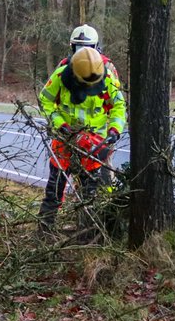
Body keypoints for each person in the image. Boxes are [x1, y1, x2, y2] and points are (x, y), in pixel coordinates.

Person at [37, 46, 126, 235]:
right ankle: (45, 230)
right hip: (65, 140)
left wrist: (115, 129)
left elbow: (118, 105)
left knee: (90, 193)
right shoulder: (61, 76)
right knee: (54, 188)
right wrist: (59, 124)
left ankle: (87, 232)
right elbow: (45, 100)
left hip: (93, 145)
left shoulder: (107, 78)